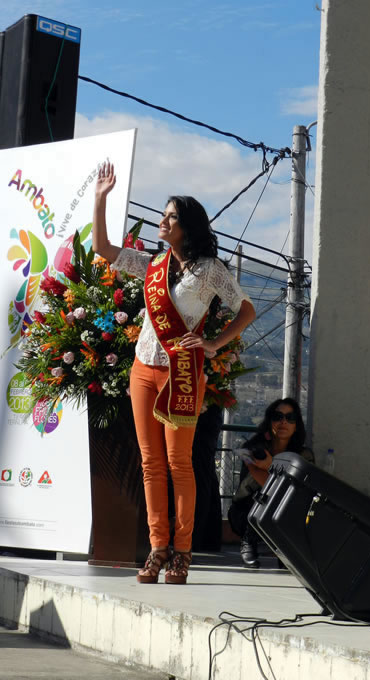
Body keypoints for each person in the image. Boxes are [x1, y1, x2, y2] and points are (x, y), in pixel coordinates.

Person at [92, 161, 255, 584]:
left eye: (170, 217)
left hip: (182, 372)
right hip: (143, 371)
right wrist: (101, 198)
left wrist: (215, 343)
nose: (162, 222)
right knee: (150, 463)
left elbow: (246, 309)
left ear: (188, 226)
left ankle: (182, 551)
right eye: (163, 216)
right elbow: (104, 249)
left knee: (179, 463)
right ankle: (157, 547)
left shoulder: (211, 270)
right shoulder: (152, 265)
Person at [228, 398, 314, 568]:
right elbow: (254, 488)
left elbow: (301, 493)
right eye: (278, 417)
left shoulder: (303, 456)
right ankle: (249, 541)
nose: (283, 422)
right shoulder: (254, 450)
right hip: (246, 513)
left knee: (291, 500)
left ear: (296, 425)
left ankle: (286, 550)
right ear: (270, 422)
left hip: (286, 514)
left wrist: (269, 466)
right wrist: (262, 466)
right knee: (262, 495)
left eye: (290, 418)